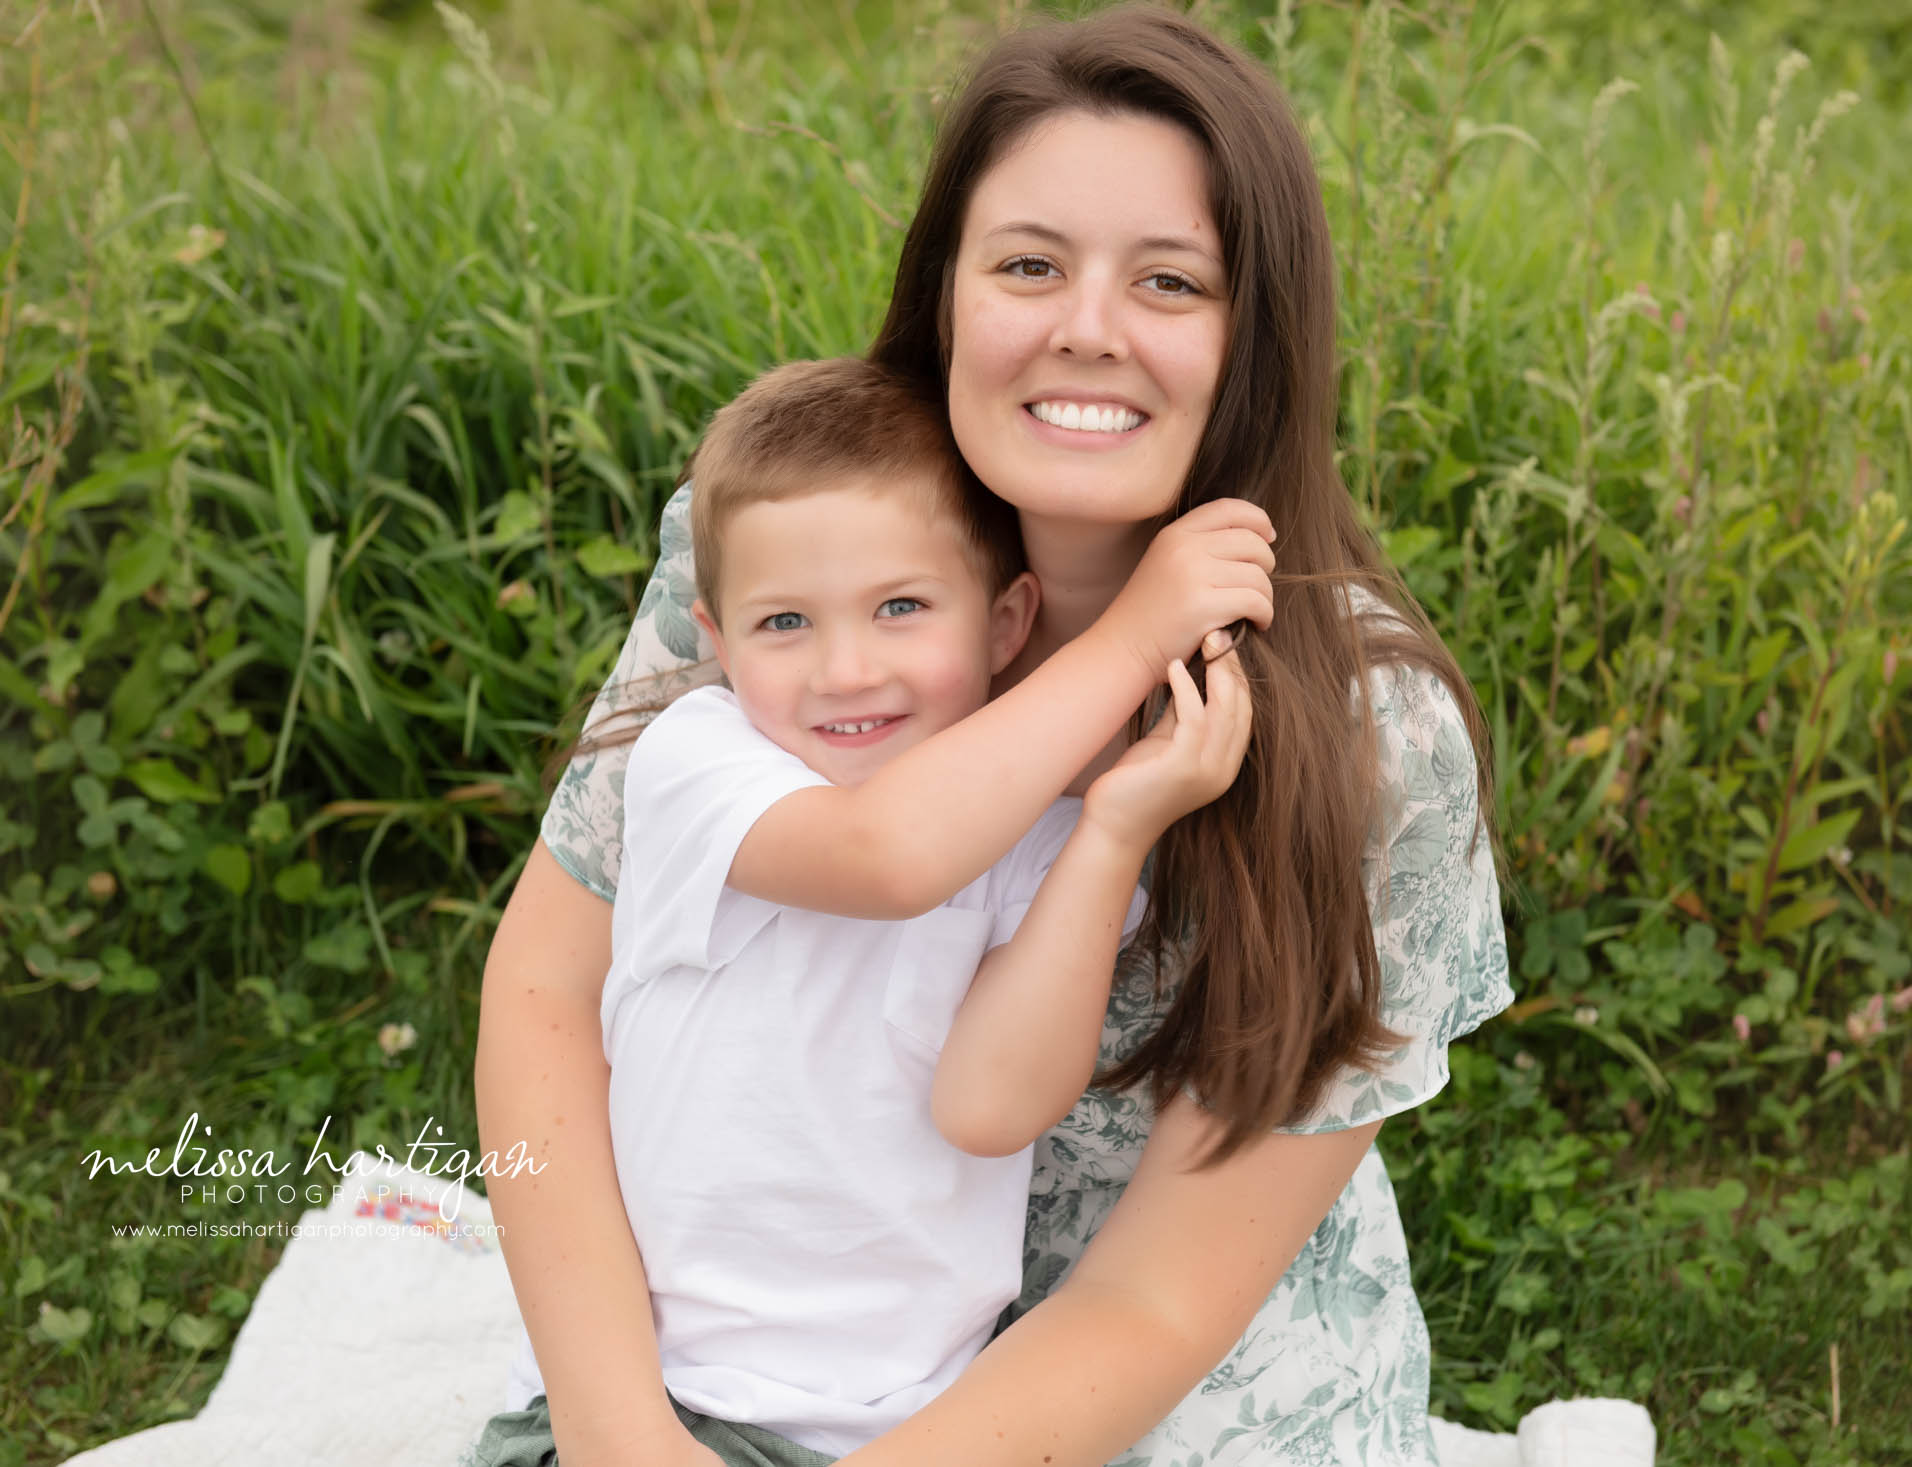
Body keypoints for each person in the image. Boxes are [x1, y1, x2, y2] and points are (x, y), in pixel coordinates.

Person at [477, 7, 1512, 1465]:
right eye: (1029, 264)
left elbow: (1155, 1301)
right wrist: (613, 1422)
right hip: (763, 1366)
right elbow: (544, 985)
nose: (1085, 325)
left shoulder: (1369, 733)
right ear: (948, 292)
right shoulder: (789, 552)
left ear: (1254, 335)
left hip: (1166, 1397)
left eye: (1169, 279)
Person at [484, 356, 1257, 1465]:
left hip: (899, 1430)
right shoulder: (701, 761)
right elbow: (882, 856)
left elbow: (990, 1107)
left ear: (1005, 626)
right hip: (649, 1406)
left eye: (900, 607)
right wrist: (1132, 638)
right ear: (713, 637)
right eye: (784, 622)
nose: (845, 670)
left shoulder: (1036, 843)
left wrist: (1111, 834)